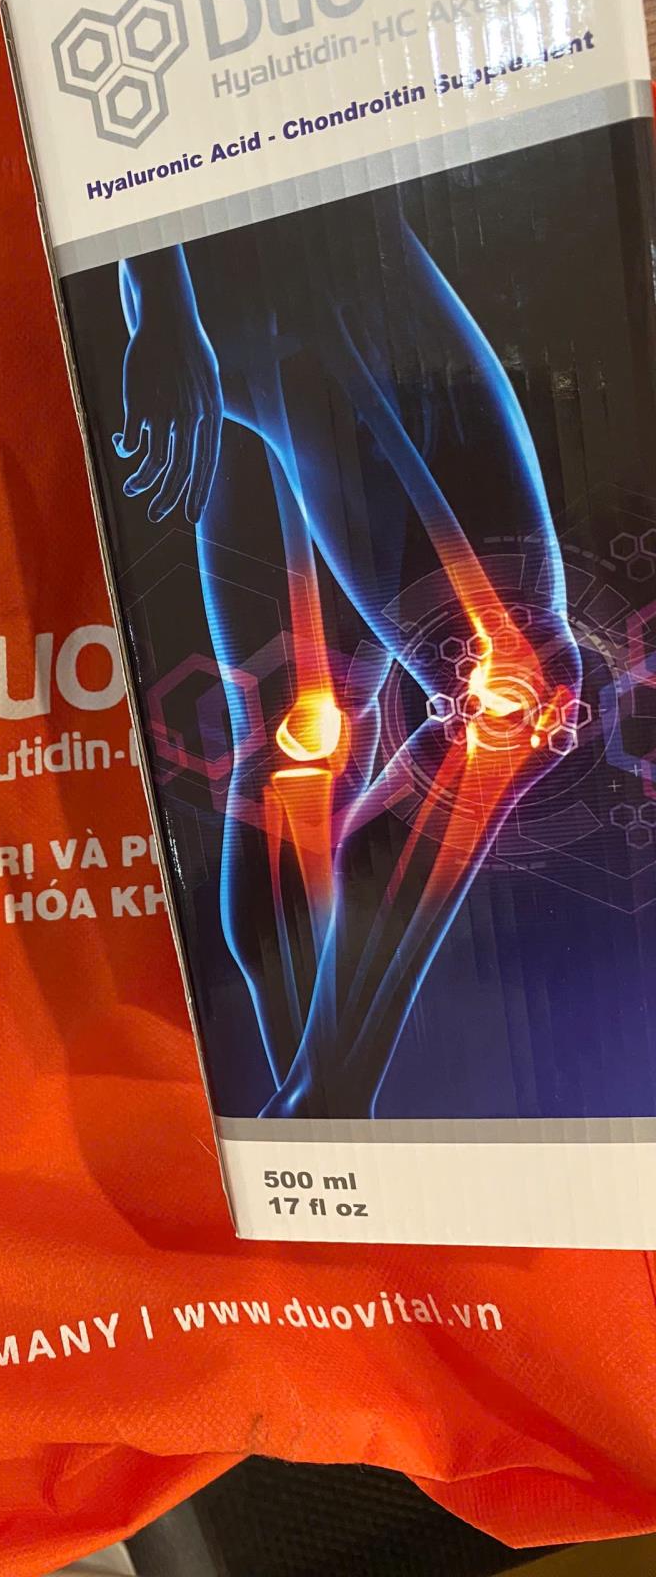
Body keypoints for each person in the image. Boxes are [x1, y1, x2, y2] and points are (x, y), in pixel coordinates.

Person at [114, 196, 583, 1117]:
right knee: (515, 689)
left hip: (224, 289)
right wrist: (163, 292)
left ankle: (316, 1139)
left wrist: (160, 292)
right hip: (314, 269)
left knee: (301, 734)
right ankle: (325, 1108)